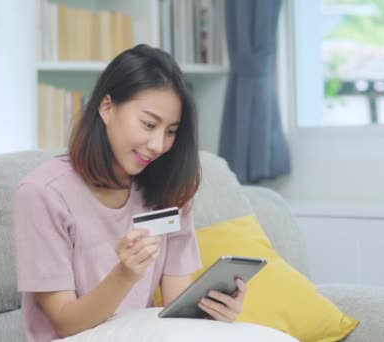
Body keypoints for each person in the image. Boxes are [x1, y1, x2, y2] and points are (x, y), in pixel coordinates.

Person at [13, 44, 247, 342]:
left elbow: (177, 312)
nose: (158, 145)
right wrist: (124, 275)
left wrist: (212, 312)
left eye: (171, 131)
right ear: (107, 107)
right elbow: (65, 324)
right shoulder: (42, 194)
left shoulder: (169, 191)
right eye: (148, 124)